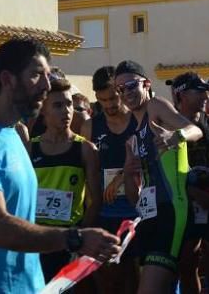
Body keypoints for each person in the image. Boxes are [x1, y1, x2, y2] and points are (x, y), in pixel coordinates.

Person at [0, 37, 120, 293]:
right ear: (7, 79)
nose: (47, 86)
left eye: (48, 76)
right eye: (37, 75)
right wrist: (74, 238)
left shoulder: (14, 136)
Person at [116, 59, 204, 294]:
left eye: (131, 86)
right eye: (120, 89)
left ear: (146, 84)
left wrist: (175, 137)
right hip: (149, 215)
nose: (126, 93)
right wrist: (128, 172)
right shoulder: (133, 132)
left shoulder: (156, 107)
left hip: (172, 211)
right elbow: (135, 199)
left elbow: (195, 130)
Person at [30, 77, 102, 280]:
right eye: (58, 105)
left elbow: (95, 200)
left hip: (68, 241)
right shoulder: (29, 148)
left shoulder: (86, 149)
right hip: (36, 239)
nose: (67, 111)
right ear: (44, 109)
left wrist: (79, 237)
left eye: (69, 104)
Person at [80, 66, 139, 294]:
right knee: (110, 278)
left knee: (135, 277)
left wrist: (123, 176)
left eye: (113, 97)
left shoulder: (137, 120)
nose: (110, 105)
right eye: (103, 100)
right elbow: (87, 170)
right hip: (105, 212)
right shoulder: (90, 126)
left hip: (137, 211)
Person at [169, 72, 209, 294]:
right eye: (199, 91)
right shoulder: (169, 126)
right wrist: (190, 191)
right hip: (185, 202)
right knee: (187, 265)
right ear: (181, 94)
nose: (205, 96)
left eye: (206, 91)